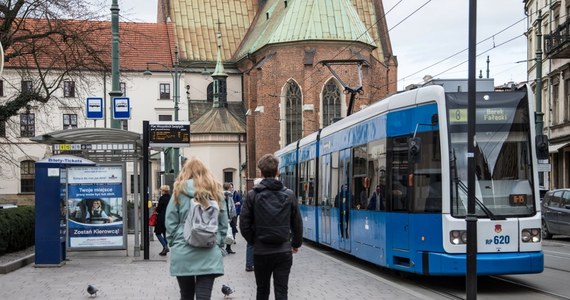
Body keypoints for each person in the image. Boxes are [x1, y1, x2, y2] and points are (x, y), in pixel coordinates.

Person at [240, 154, 303, 300]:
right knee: (282, 292)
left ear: (260, 173)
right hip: (283, 251)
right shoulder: (289, 194)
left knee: (262, 291)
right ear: (277, 172)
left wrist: (254, 240)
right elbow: (297, 223)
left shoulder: (252, 195)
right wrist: (295, 243)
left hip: (261, 251)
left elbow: (244, 224)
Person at [165, 157, 228, 300]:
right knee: (204, 296)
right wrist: (218, 241)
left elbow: (170, 221)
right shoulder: (216, 191)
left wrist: (175, 240)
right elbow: (223, 223)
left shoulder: (178, 191)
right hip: (209, 248)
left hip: (183, 248)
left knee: (186, 295)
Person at [155, 185, 171, 256]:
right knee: (165, 234)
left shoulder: (162, 198)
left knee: (158, 233)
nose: (161, 191)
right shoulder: (171, 198)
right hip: (168, 217)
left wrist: (156, 210)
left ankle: (165, 247)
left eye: (161, 190)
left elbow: (158, 209)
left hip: (161, 218)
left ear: (163, 191)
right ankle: (164, 250)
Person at [223, 182, 237, 254]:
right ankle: (227, 248)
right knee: (227, 232)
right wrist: (230, 217)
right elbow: (229, 207)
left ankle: (228, 248)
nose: (232, 188)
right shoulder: (227, 195)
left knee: (229, 232)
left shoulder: (228, 195)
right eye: (231, 187)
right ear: (228, 188)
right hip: (228, 216)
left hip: (228, 216)